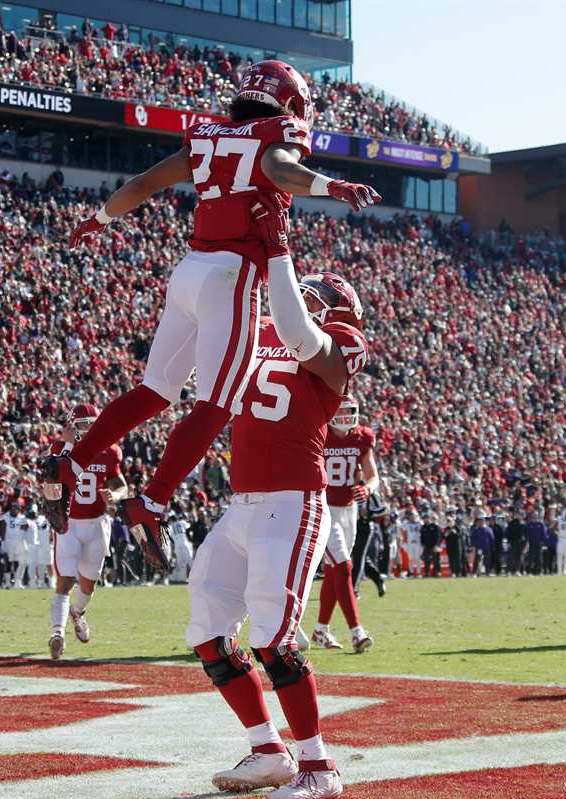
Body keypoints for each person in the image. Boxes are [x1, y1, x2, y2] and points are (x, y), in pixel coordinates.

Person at [45, 60, 380, 572]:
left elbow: (141, 185)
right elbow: (277, 169)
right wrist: (331, 186)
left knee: (154, 390)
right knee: (217, 404)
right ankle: (151, 504)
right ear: (290, 102)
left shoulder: (207, 136)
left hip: (189, 272)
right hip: (233, 276)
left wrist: (98, 219)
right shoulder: (276, 133)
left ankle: (70, 464)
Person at [184, 199, 367, 799]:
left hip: (293, 499)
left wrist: (281, 254)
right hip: (241, 502)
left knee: (275, 637)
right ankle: (268, 751)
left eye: (320, 296)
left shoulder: (337, 343)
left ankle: (321, 768)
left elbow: (297, 330)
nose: (308, 297)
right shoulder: (262, 328)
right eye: (305, 290)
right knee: (209, 627)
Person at [45, 405, 126, 658]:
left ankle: (77, 613)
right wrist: (68, 447)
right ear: (72, 426)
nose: (89, 430)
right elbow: (50, 481)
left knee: (89, 584)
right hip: (68, 522)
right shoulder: (60, 449)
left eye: (93, 424)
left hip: (97, 522)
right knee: (66, 580)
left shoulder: (110, 451)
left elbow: (120, 484)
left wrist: (116, 494)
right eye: (83, 425)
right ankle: (57, 633)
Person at [312, 396, 379, 652]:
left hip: (349, 511)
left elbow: (373, 476)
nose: (343, 417)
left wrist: (368, 488)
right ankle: (357, 632)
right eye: (339, 411)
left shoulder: (362, 437)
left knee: (335, 570)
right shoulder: (320, 434)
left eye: (348, 411)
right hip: (324, 509)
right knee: (343, 565)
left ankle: (321, 630)